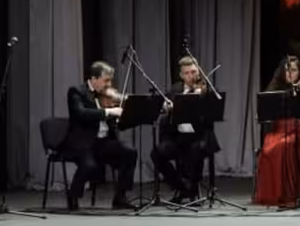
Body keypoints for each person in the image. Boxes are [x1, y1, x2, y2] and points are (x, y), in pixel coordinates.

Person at [64, 61, 139, 210]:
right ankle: (73, 195)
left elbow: (116, 123)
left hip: (103, 142)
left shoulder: (106, 95)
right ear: (94, 78)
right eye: (106, 80)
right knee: (89, 165)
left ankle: (120, 197)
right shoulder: (76, 92)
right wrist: (108, 112)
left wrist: (126, 115)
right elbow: (80, 113)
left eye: (110, 80)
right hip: (83, 142)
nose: (109, 84)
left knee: (129, 152)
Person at [253, 55, 300, 206]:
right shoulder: (273, 90)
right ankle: (283, 193)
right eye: (287, 70)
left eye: (294, 70)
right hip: (279, 130)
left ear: (299, 72)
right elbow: (264, 114)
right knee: (279, 147)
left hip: (299, 127)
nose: (290, 73)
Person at [154, 56, 220, 203]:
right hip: (178, 137)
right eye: (187, 73)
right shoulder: (175, 89)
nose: (191, 76)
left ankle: (192, 190)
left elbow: (212, 112)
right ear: (181, 75)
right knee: (157, 154)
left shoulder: (206, 89)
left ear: (199, 72)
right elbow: (164, 106)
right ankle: (181, 187)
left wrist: (200, 98)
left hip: (199, 136)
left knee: (195, 150)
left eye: (194, 72)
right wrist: (166, 107)